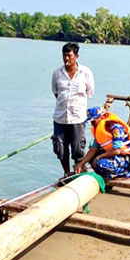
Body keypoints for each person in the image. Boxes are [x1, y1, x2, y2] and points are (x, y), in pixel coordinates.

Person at [51, 42, 95, 178]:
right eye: (64, 55)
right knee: (60, 149)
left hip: (78, 118)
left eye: (69, 55)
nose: (66, 59)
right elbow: (56, 92)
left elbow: (90, 92)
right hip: (60, 117)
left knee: (77, 148)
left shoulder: (86, 73)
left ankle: (78, 172)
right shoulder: (57, 73)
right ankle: (66, 173)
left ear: (76, 56)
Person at [75, 107, 130, 181]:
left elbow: (117, 150)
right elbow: (93, 149)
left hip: (128, 157)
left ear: (100, 117)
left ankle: (125, 172)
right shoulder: (98, 130)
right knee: (92, 159)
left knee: (100, 163)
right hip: (115, 154)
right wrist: (81, 164)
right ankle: (106, 177)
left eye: (93, 121)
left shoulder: (115, 128)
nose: (92, 123)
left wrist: (99, 157)